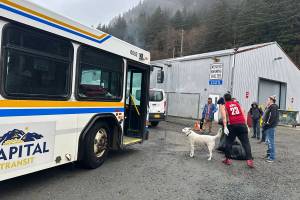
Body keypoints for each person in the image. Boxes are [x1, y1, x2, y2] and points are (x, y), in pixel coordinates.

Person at [220, 93, 254, 168]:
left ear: (225, 99)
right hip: (242, 124)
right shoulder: (236, 103)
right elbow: (243, 113)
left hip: (233, 125)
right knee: (246, 143)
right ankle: (249, 160)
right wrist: (246, 125)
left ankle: (227, 159)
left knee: (228, 142)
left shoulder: (225, 105)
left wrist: (225, 126)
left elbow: (224, 117)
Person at [262, 95, 279, 163]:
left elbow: (272, 116)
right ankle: (269, 154)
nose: (267, 101)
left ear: (271, 100)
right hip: (268, 126)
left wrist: (268, 123)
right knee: (268, 141)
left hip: (270, 126)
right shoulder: (270, 107)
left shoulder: (273, 106)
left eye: (268, 100)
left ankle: (271, 157)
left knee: (270, 141)